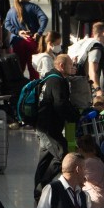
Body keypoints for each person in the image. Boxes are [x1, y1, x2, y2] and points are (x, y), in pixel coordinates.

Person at [33, 53, 81, 199]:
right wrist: (74, 116)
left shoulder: (49, 78)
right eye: (70, 65)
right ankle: (43, 185)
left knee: (46, 157)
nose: (72, 68)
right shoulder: (57, 81)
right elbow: (60, 104)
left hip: (44, 125)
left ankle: (38, 190)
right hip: (48, 128)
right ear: (61, 66)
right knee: (62, 154)